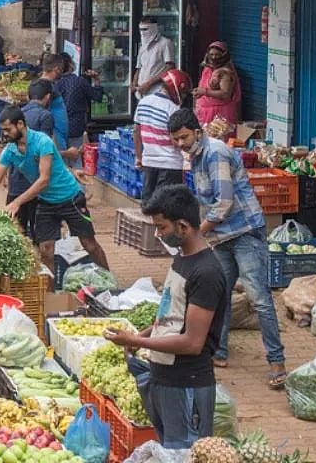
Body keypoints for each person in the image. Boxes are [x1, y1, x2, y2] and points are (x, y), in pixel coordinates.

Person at [167, 108, 287, 389]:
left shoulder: (215, 152)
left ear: (197, 131)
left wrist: (196, 234)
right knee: (218, 295)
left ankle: (276, 361)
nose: (180, 144)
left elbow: (224, 203)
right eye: (176, 140)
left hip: (244, 232)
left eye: (183, 137)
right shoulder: (196, 156)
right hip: (221, 237)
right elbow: (205, 203)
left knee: (259, 298)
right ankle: (217, 352)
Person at [105, 184, 227, 450]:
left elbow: (192, 342)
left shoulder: (206, 273)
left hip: (187, 385)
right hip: (164, 379)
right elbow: (169, 317)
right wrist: (140, 337)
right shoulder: (183, 258)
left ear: (183, 226)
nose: (159, 234)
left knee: (185, 453)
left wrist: (140, 342)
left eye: (162, 228)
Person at [0, 105, 110, 278]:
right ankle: (49, 294)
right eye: (3, 130)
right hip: (46, 202)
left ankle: (109, 278)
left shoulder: (42, 142)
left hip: (70, 198)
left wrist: (17, 202)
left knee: (89, 244)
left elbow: (44, 180)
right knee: (45, 250)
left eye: (7, 129)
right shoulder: (10, 151)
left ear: (20, 124)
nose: (4, 134)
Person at [6, 78, 57, 239]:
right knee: (39, 233)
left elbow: (9, 148)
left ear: (28, 97)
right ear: (48, 97)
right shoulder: (45, 116)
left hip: (16, 181)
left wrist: (7, 175)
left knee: (16, 231)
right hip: (36, 184)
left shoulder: (16, 115)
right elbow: (45, 152)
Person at [134, 69, 191, 202]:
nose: (183, 97)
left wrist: (139, 157)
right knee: (168, 209)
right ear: (176, 88)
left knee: (149, 207)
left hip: (148, 162)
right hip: (170, 165)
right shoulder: (173, 109)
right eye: (183, 93)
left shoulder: (143, 102)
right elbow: (176, 140)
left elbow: (136, 132)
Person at [53, 52, 103, 147]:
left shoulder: (55, 83)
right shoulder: (79, 82)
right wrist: (96, 79)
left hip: (58, 128)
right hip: (76, 128)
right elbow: (97, 96)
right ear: (70, 65)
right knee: (75, 158)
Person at [193, 41, 241, 129]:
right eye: (211, 54)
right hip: (204, 113)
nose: (214, 57)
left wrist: (205, 92)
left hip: (220, 114)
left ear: (224, 55)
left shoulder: (225, 72)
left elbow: (225, 94)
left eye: (217, 55)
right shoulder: (208, 69)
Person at [133, 16, 175, 98]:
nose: (143, 32)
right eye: (141, 29)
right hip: (141, 92)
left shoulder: (165, 43)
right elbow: (139, 67)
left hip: (157, 90)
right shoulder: (142, 46)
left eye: (145, 29)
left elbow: (170, 67)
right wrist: (134, 82)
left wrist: (149, 84)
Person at [38, 53, 70, 152]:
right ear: (56, 69)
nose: (62, 71)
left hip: (58, 137)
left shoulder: (46, 85)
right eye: (61, 68)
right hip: (56, 139)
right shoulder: (46, 87)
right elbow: (44, 115)